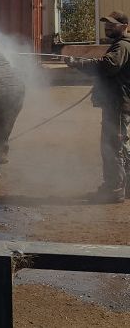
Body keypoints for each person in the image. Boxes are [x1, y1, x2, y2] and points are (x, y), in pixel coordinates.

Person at [67, 11, 130, 203]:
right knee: (120, 146)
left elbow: (108, 66)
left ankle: (114, 189)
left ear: (125, 26)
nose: (108, 27)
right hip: (117, 103)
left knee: (112, 146)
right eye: (106, 24)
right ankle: (121, 186)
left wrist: (78, 63)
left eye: (113, 24)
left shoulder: (121, 46)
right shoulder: (120, 45)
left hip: (117, 105)